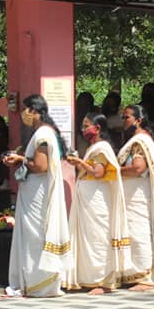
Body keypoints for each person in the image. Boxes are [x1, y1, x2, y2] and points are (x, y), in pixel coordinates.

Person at [3, 94, 72, 297]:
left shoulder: (43, 134)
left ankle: (39, 282)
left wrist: (20, 159)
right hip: (35, 192)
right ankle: (36, 282)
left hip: (37, 194)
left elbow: (40, 166)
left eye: (27, 110)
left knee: (35, 236)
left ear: (35, 111)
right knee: (34, 235)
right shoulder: (45, 132)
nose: (24, 114)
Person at [65, 112, 132, 294]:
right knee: (89, 239)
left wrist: (79, 161)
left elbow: (98, 173)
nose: (84, 129)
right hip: (88, 199)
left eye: (87, 125)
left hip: (97, 201)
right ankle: (90, 279)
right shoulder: (92, 148)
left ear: (98, 128)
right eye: (83, 126)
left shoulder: (102, 148)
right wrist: (77, 162)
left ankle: (104, 282)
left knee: (98, 239)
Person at [117, 105, 154, 290]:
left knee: (138, 231)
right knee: (134, 231)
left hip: (137, 194)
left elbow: (138, 168)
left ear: (138, 120)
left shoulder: (140, 141)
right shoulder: (138, 139)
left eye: (126, 117)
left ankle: (144, 276)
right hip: (133, 192)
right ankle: (136, 274)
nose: (123, 121)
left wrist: (115, 169)